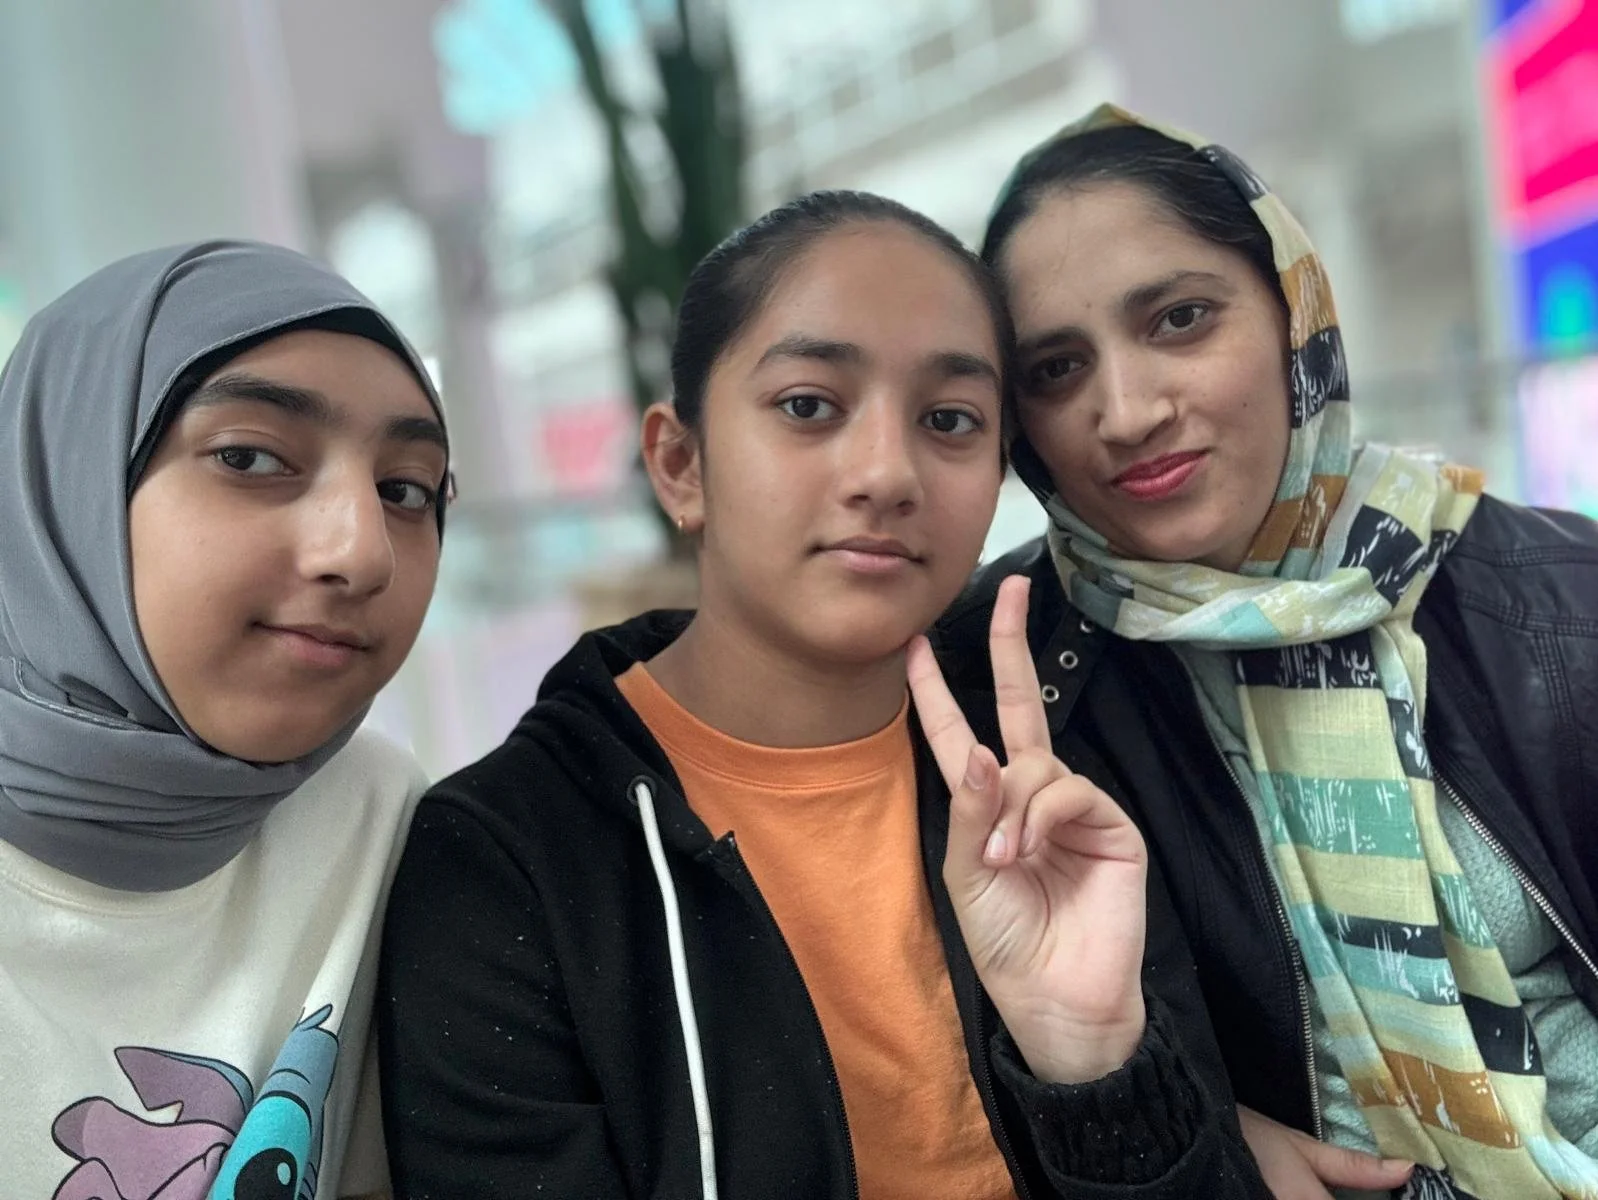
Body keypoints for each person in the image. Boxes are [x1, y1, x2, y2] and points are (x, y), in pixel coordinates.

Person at [377, 189, 1268, 1199]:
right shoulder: (505, 864)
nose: (887, 473)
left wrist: (1097, 1064)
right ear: (680, 464)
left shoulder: (1047, 791)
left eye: (949, 420)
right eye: (808, 406)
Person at [938, 102, 1598, 1200]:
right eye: (1054, 369)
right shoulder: (1005, 693)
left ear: (1294, 312)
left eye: (1180, 319)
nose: (1126, 411)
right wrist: (1187, 1116)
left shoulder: (1553, 597)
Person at [0, 240, 451, 1200]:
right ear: (62, 479)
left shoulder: (374, 815)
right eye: (249, 457)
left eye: (405, 490)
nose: (362, 552)